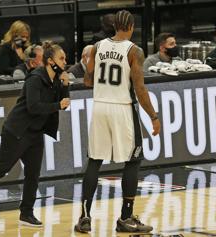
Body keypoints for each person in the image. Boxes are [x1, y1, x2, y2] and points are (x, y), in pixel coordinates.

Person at [74, 10, 161, 233]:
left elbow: (87, 80)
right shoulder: (134, 50)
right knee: (133, 160)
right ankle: (126, 218)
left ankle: (84, 217)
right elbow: (140, 89)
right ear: (131, 26)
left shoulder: (97, 47)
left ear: (114, 26)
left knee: (94, 160)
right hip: (122, 107)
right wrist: (153, 116)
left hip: (100, 106)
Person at [0, 41, 70, 228]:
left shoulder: (56, 79)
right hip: (18, 131)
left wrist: (64, 86)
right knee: (1, 169)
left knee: (33, 174)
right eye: (61, 58)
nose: (65, 61)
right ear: (49, 61)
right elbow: (33, 107)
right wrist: (58, 105)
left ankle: (26, 213)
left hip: (35, 133)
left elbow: (64, 102)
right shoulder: (35, 78)